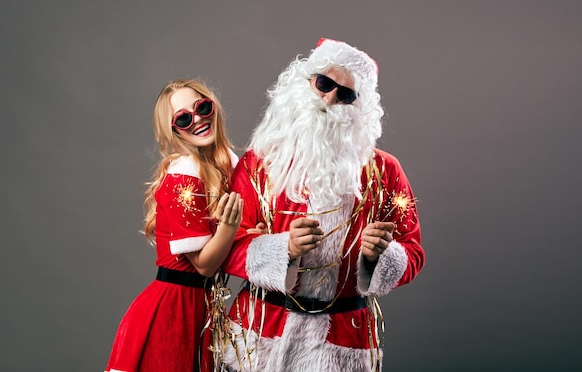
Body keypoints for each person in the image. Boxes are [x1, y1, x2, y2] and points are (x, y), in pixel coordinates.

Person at [217, 39, 425, 372]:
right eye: (324, 84)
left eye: (345, 94)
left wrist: (378, 256)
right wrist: (283, 247)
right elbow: (226, 245)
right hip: (259, 334)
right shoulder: (258, 165)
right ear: (305, 82)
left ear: (359, 107)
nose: (329, 98)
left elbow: (412, 252)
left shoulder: (385, 172)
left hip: (341, 342)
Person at [105, 78, 243, 372]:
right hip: (172, 313)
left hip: (202, 308)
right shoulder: (184, 177)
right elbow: (205, 265)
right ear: (173, 130)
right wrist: (229, 228)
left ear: (214, 107)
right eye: (183, 118)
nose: (198, 120)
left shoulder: (230, 170)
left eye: (202, 107)